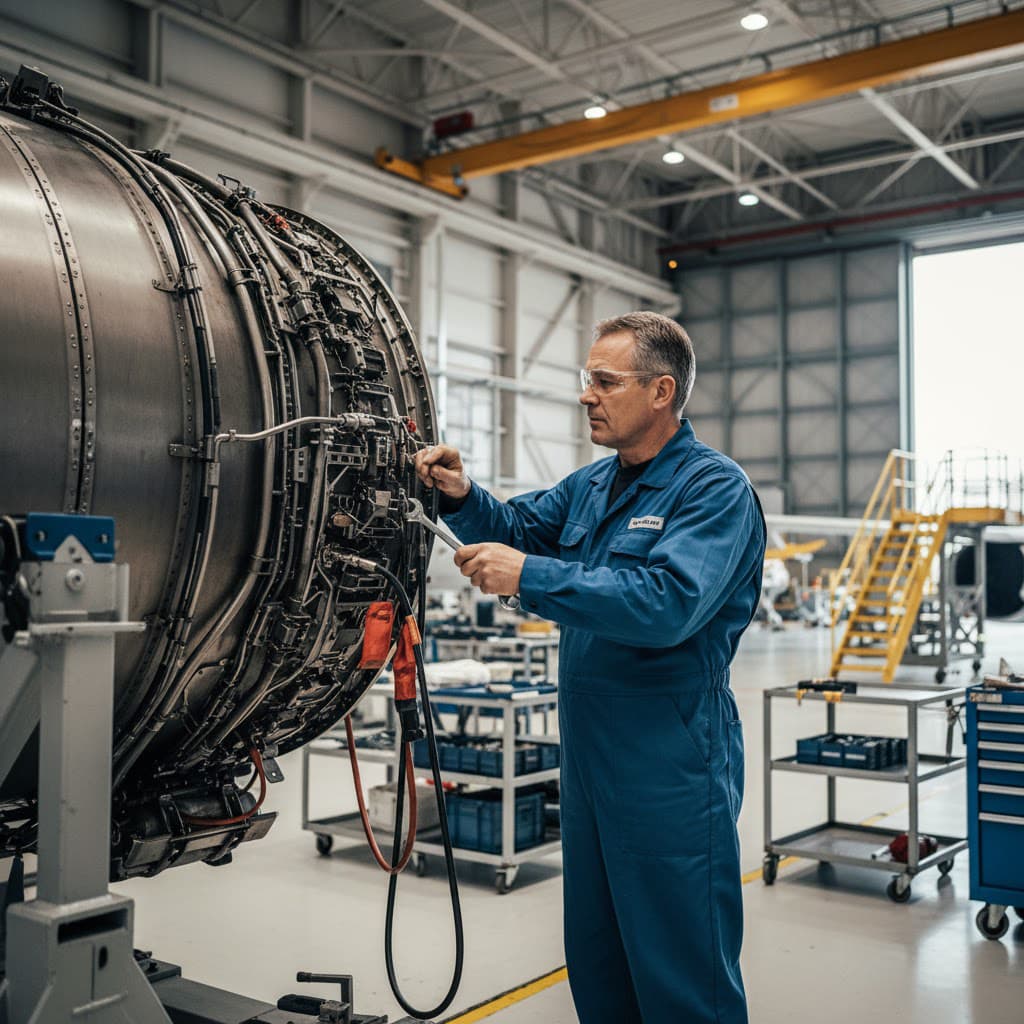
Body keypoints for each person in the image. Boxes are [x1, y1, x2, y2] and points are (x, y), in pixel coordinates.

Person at [414, 311, 765, 1024]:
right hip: (590, 764)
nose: (586, 395)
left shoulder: (712, 490)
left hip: (670, 765)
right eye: (588, 380)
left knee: (681, 973)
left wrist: (531, 578)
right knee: (600, 966)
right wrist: (461, 496)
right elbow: (515, 528)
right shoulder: (592, 486)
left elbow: (668, 603)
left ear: (662, 392)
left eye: (606, 382)